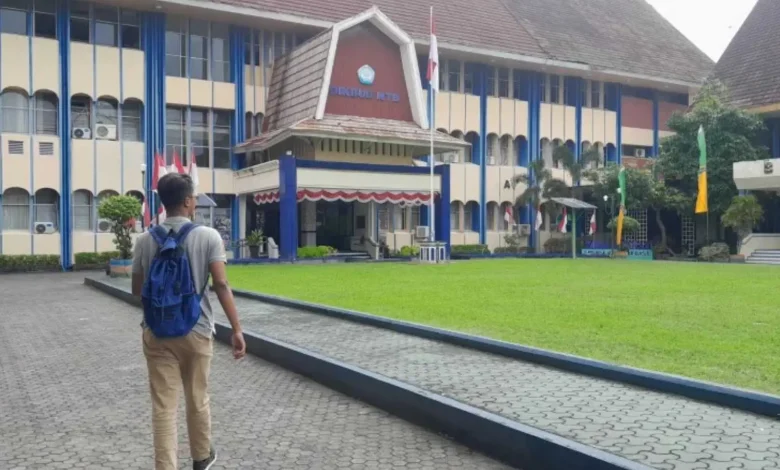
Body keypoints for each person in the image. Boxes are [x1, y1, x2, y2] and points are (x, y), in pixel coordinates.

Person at [132, 172, 246, 470]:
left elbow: (137, 290)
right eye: (194, 197)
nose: (195, 201)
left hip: (156, 332)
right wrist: (236, 329)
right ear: (186, 201)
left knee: (163, 406)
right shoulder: (208, 236)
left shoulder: (144, 240)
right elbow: (221, 284)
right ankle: (201, 457)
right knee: (197, 397)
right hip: (197, 329)